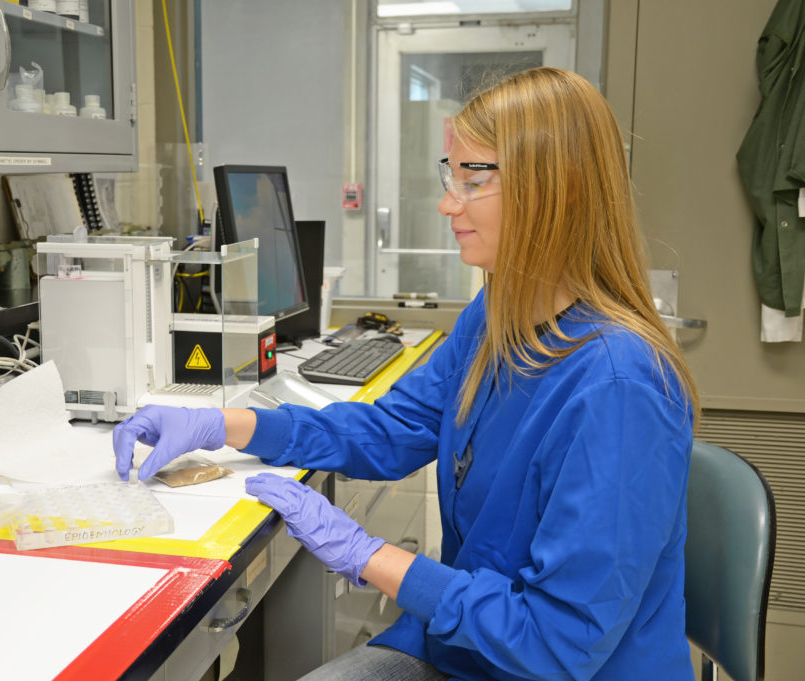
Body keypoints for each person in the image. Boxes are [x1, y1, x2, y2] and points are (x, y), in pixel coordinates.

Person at [112, 66, 700, 681]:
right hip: (471, 646)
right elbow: (393, 430)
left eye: (474, 179)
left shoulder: (620, 388)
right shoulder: (495, 316)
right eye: (452, 176)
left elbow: (557, 645)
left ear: (561, 191)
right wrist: (224, 425)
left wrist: (369, 557)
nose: (449, 203)